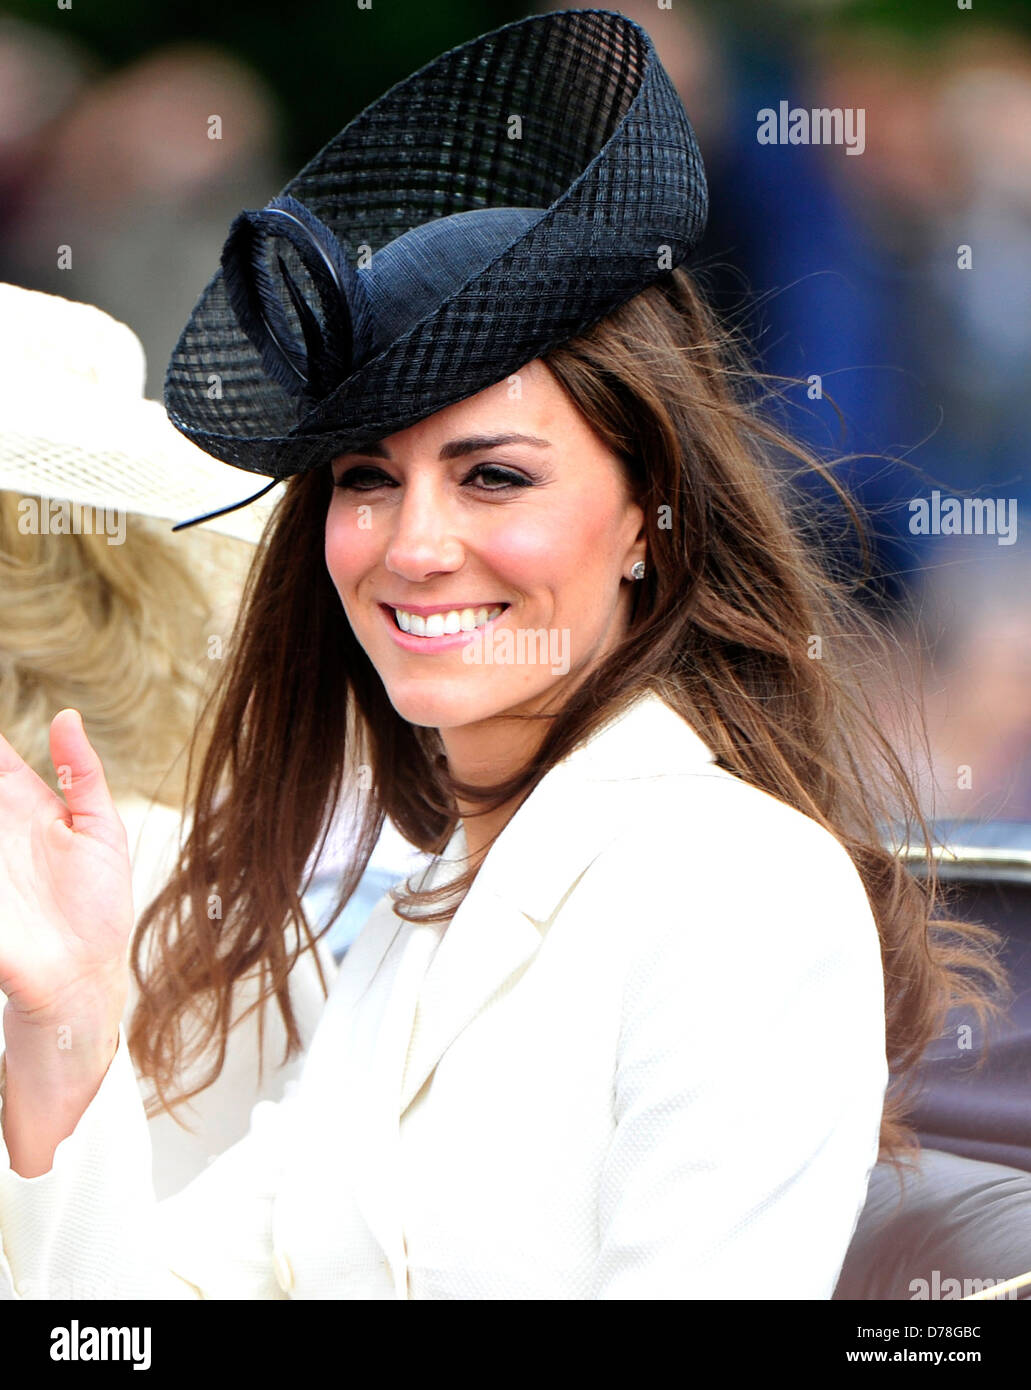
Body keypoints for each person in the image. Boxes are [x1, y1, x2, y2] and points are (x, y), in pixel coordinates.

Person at [0, 10, 1004, 1300]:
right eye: (368, 479)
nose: (412, 546)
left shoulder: (743, 893)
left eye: (494, 477)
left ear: (654, 515)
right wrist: (70, 1023)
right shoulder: (422, 915)